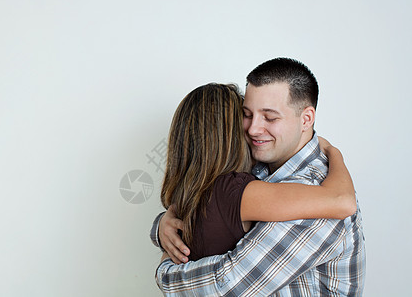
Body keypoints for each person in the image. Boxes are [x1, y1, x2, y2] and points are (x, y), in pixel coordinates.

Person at [151, 58, 366, 296]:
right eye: (247, 114)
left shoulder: (316, 193)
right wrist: (163, 225)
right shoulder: (255, 168)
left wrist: (165, 271)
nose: (253, 129)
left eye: (270, 117)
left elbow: (228, 286)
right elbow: (213, 208)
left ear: (306, 119)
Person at [159, 82, 355, 263]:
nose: (254, 129)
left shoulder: (192, 194)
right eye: (246, 117)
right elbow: (341, 201)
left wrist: (161, 223)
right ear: (231, 135)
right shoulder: (235, 192)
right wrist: (333, 152)